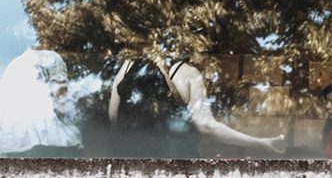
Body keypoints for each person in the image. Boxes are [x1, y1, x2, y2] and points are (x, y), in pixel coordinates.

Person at [109, 57, 287, 155]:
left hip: (127, 164)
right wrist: (259, 142)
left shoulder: (126, 67)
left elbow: (113, 118)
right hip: (174, 166)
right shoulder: (189, 73)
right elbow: (207, 126)